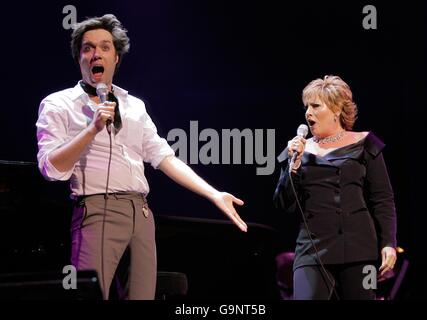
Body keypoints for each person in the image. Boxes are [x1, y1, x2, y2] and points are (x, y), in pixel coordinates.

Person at [36, 14, 247, 300]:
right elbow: (50, 167)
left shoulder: (134, 105)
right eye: (87, 48)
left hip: (141, 214)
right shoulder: (58, 104)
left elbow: (164, 157)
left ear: (116, 58)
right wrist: (91, 129)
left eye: (105, 47)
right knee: (90, 296)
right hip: (97, 209)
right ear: (79, 58)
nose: (95, 53)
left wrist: (213, 194)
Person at [273, 75, 397, 300]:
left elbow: (383, 198)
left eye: (315, 106)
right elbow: (284, 204)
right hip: (312, 250)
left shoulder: (365, 143)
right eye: (306, 106)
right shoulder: (297, 151)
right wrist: (294, 165)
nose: (308, 112)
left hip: (360, 250)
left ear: (337, 110)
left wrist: (388, 243)